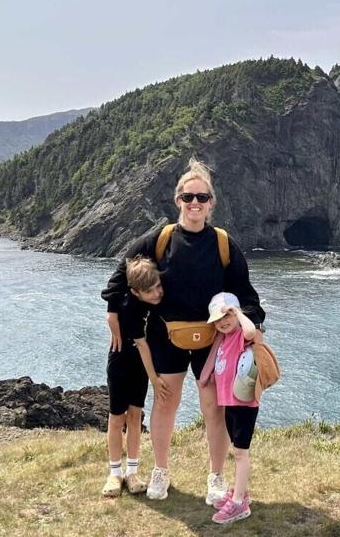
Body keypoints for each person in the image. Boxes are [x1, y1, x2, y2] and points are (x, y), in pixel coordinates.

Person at [101, 158, 265, 503]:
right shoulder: (159, 239)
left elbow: (247, 294)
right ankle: (160, 471)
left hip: (212, 340)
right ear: (177, 200)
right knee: (165, 403)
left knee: (213, 408)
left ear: (211, 203)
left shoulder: (223, 244)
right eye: (188, 197)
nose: (194, 204)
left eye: (201, 198)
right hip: (166, 335)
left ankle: (216, 477)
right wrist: (112, 309)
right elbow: (123, 272)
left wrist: (252, 324)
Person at [102, 256, 164, 497]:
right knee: (117, 417)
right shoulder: (129, 307)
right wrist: (155, 379)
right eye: (150, 291)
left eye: (158, 286)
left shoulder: (152, 300)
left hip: (140, 365)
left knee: (136, 416)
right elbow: (142, 345)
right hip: (121, 361)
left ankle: (132, 471)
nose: (157, 293)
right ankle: (115, 473)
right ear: (136, 292)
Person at [197, 292, 261, 524]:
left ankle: (238, 505)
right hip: (229, 403)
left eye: (227, 315)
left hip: (244, 403)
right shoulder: (223, 338)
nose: (223, 321)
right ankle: (239, 492)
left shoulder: (242, 336)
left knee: (241, 453)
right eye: (218, 319)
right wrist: (204, 377)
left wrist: (239, 314)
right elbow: (214, 360)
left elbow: (252, 331)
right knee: (237, 449)